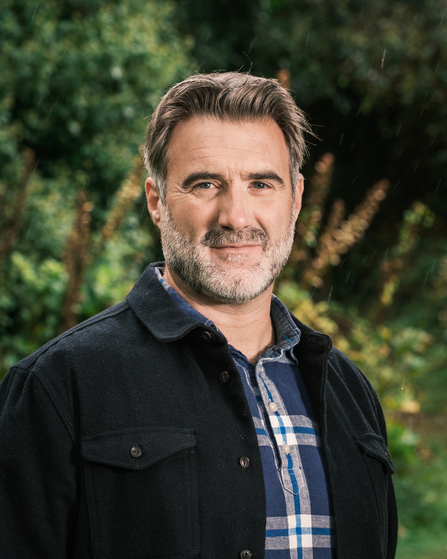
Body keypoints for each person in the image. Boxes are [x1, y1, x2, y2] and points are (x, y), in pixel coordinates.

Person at [0, 72, 397, 559]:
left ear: (294, 199)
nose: (235, 215)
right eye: (206, 184)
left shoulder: (350, 393)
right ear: (157, 202)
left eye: (260, 184)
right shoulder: (57, 386)